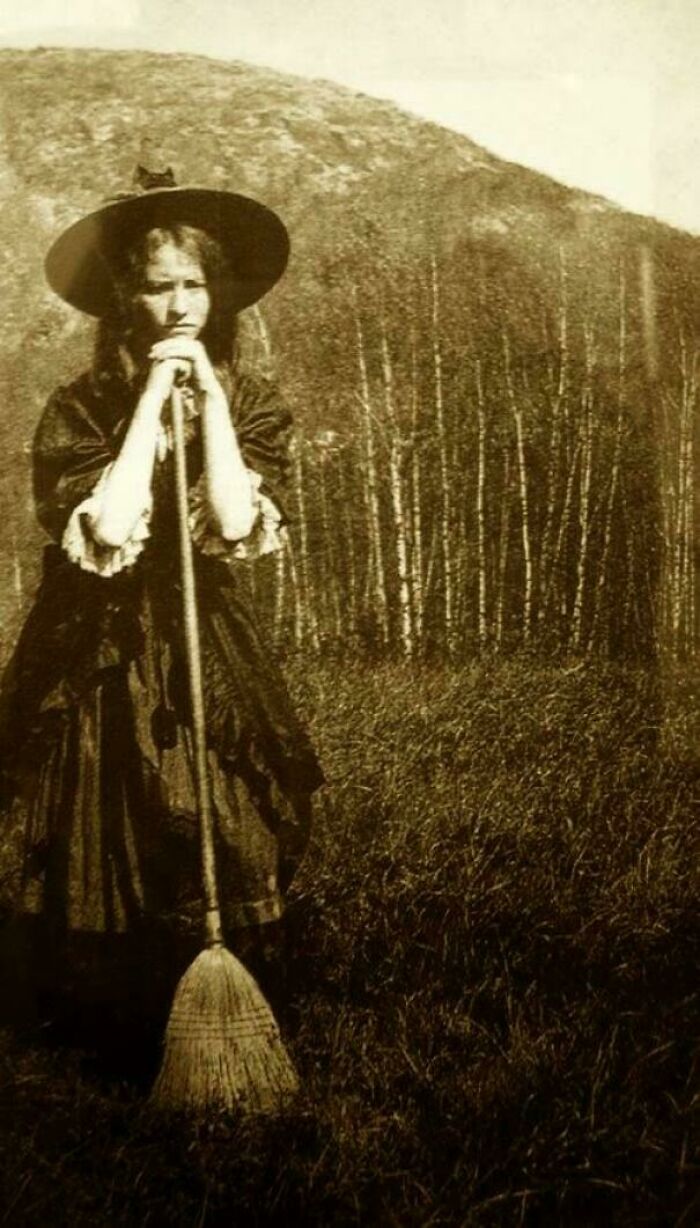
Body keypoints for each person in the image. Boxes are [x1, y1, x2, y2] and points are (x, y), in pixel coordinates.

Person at [0, 167, 324, 1062]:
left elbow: (229, 522)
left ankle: (219, 997)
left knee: (221, 812)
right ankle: (108, 1025)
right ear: (124, 299)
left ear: (216, 294)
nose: (179, 303)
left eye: (194, 283)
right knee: (103, 816)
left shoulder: (254, 403)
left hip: (206, 639)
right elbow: (107, 528)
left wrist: (211, 400)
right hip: (96, 639)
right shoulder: (80, 406)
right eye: (157, 286)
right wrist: (150, 398)